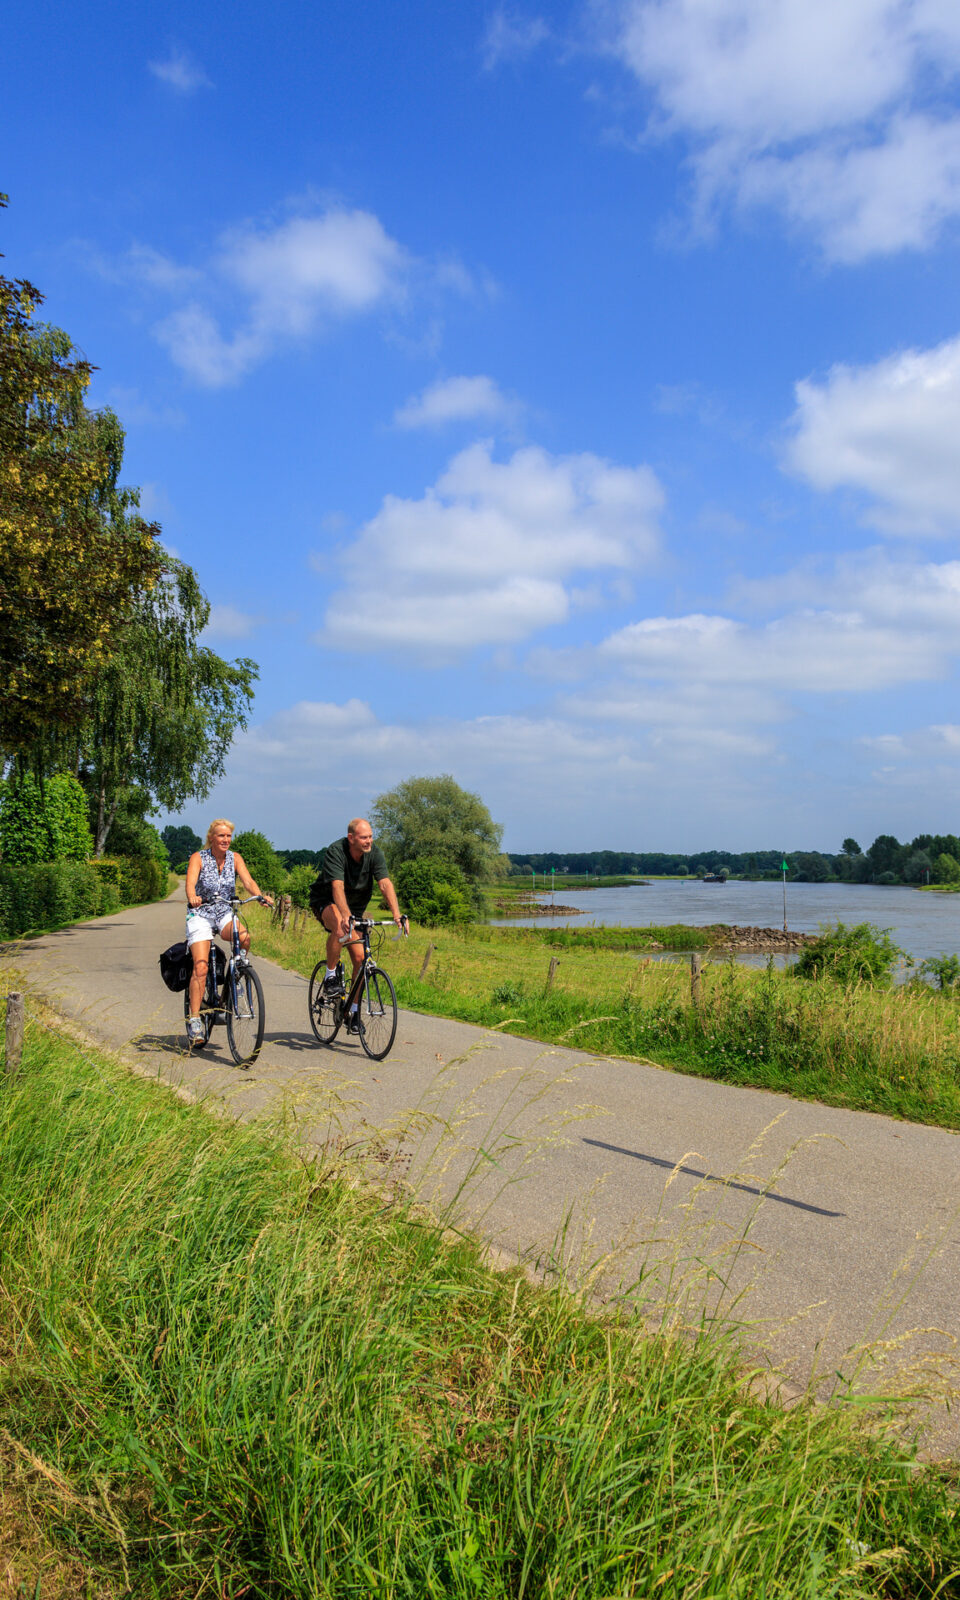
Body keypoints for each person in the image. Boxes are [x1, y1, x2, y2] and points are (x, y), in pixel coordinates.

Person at [309, 817, 404, 1032]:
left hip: (355, 909)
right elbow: (337, 886)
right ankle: (330, 976)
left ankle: (352, 1011)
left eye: (370, 836)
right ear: (351, 838)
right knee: (340, 927)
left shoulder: (374, 854)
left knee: (361, 959)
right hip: (327, 901)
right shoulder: (336, 851)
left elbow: (384, 883)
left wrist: (397, 915)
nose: (369, 841)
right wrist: (344, 915)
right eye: (364, 837)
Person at [184, 819, 273, 1044]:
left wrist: (259, 895)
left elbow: (248, 881)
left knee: (244, 937)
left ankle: (237, 975)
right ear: (212, 838)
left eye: (229, 836)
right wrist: (193, 897)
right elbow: (190, 883)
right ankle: (195, 1020)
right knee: (201, 966)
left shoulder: (235, 858)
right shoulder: (198, 857)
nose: (225, 840)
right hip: (201, 914)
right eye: (221, 836)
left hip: (224, 911)